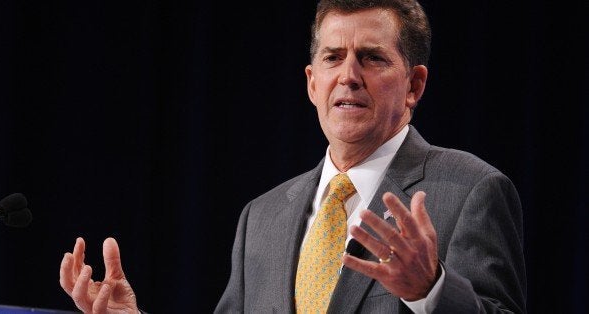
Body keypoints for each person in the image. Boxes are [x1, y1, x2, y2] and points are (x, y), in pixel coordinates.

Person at [59, 0, 527, 313]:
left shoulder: (470, 191)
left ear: (415, 85)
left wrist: (432, 292)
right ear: (311, 82)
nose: (348, 75)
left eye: (372, 58)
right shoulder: (260, 218)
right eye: (332, 57)